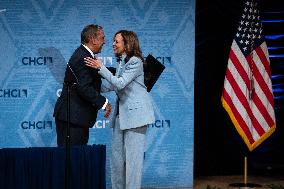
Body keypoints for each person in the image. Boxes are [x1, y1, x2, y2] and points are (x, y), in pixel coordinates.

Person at [84, 30, 155, 189]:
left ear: (127, 44)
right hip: (120, 118)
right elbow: (109, 85)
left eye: (117, 41)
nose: (113, 44)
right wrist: (87, 82)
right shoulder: (122, 62)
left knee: (133, 163)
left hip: (136, 118)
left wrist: (101, 67)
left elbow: (120, 83)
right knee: (116, 161)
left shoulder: (135, 61)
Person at [53, 24, 111, 147]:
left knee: (76, 159)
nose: (105, 41)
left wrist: (122, 72)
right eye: (102, 38)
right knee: (71, 160)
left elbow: (96, 72)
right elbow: (84, 87)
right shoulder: (82, 57)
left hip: (76, 118)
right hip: (72, 118)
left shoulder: (85, 55)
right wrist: (104, 102)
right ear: (93, 39)